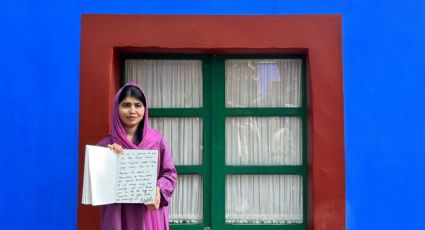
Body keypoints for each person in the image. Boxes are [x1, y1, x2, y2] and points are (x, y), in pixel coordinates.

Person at [96, 82, 177, 230]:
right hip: (118, 217)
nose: (132, 111)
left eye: (138, 105)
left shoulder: (157, 141)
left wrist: (158, 188)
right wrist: (111, 160)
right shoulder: (105, 146)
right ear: (117, 108)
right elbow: (97, 186)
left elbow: (170, 175)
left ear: (145, 109)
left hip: (149, 216)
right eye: (126, 105)